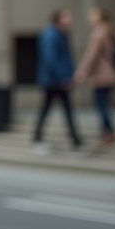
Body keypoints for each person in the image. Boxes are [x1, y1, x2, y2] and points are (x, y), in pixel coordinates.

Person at [32, 9, 83, 154]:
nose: (70, 18)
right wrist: (64, 77)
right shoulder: (51, 34)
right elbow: (51, 59)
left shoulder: (59, 34)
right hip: (53, 81)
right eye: (67, 16)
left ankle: (75, 141)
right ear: (59, 18)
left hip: (57, 80)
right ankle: (74, 141)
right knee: (53, 110)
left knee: (61, 110)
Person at [74, 7, 115, 146]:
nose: (90, 17)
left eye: (93, 15)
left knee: (101, 105)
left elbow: (90, 56)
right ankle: (107, 132)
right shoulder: (109, 30)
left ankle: (109, 132)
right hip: (111, 73)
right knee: (104, 103)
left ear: (100, 17)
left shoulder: (98, 33)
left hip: (102, 75)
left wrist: (81, 73)